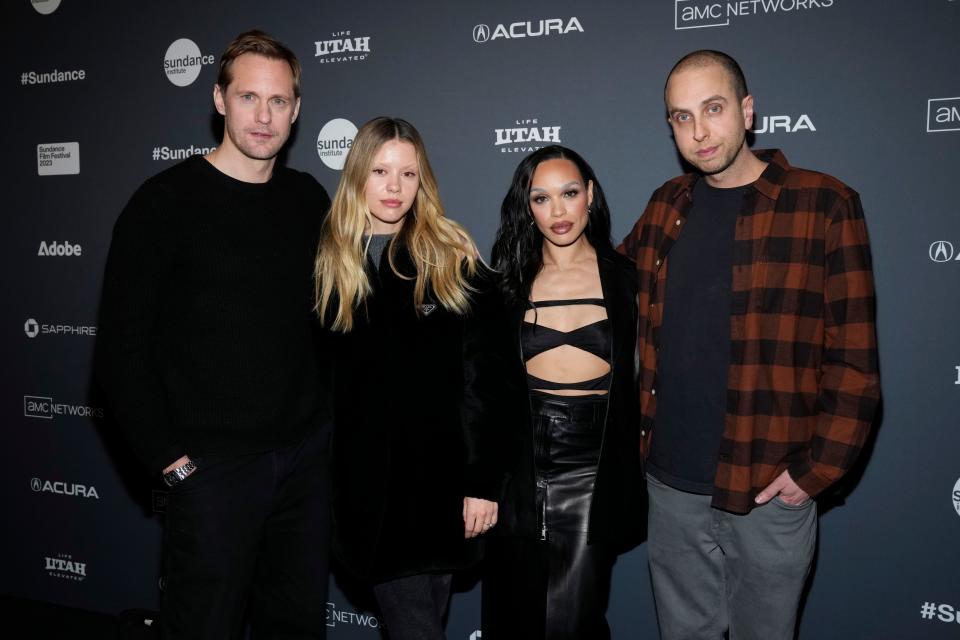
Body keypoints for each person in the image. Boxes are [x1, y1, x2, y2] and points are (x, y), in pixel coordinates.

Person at [619, 50, 881, 639]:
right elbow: (604, 284)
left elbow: (856, 361)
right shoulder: (667, 205)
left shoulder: (825, 205)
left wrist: (814, 474)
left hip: (768, 489)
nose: (700, 132)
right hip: (670, 487)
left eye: (713, 109)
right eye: (681, 117)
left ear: (747, 110)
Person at [97, 31, 332, 639]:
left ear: (297, 109)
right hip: (212, 472)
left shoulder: (308, 199)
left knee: (296, 628)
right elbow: (120, 352)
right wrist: (174, 469)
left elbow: (330, 325)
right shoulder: (163, 203)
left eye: (278, 101)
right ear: (219, 99)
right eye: (249, 97)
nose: (264, 115)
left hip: (304, 466)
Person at [313, 116, 505, 640]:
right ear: (358, 176)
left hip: (438, 492)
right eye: (380, 171)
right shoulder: (332, 263)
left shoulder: (449, 258)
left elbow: (485, 382)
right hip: (364, 496)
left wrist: (482, 483)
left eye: (408, 174)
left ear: (424, 181)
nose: (394, 188)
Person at [484, 145, 644, 639]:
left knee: (576, 622)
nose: (557, 212)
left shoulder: (626, 278)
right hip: (520, 471)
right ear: (526, 207)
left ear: (590, 196)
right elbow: (486, 387)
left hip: (593, 470)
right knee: (515, 619)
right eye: (541, 198)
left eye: (569, 194)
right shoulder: (505, 280)